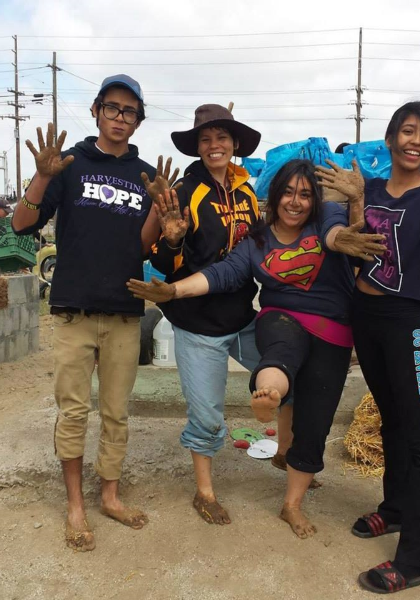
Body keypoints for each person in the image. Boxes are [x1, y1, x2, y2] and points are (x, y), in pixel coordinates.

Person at [127, 159, 386, 538]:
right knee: (277, 357)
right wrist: (172, 290)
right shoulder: (254, 240)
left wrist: (353, 211)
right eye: (287, 192)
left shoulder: (320, 215)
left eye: (304, 194)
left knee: (314, 419)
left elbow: (337, 232)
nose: (295, 202)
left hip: (316, 329)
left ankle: (290, 485)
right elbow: (221, 273)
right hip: (253, 320)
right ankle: (258, 408)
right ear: (275, 194)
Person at [12, 74, 178, 552]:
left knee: (116, 412)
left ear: (138, 119)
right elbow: (23, 224)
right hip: (72, 310)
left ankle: (109, 495)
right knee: (73, 411)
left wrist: (164, 224)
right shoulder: (69, 165)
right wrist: (42, 176)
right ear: (96, 110)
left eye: (130, 111)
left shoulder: (146, 174)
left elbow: (142, 243)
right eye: (112, 108)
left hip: (125, 310)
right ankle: (75, 505)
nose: (120, 118)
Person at [317, 101, 420, 594]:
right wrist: (355, 204)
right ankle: (396, 509)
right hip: (367, 316)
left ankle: (419, 556)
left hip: (408, 323)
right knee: (390, 416)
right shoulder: (373, 188)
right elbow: (362, 254)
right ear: (391, 137)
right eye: (406, 130)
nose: (414, 141)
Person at [144, 104, 262, 526]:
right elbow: (163, 264)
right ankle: (205, 492)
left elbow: (258, 246)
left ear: (234, 145)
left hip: (243, 314)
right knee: (208, 414)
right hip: (197, 321)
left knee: (289, 373)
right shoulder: (184, 190)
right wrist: (173, 241)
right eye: (206, 139)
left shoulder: (246, 191)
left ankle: (289, 453)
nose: (215, 145)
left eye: (222, 138)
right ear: (197, 146)